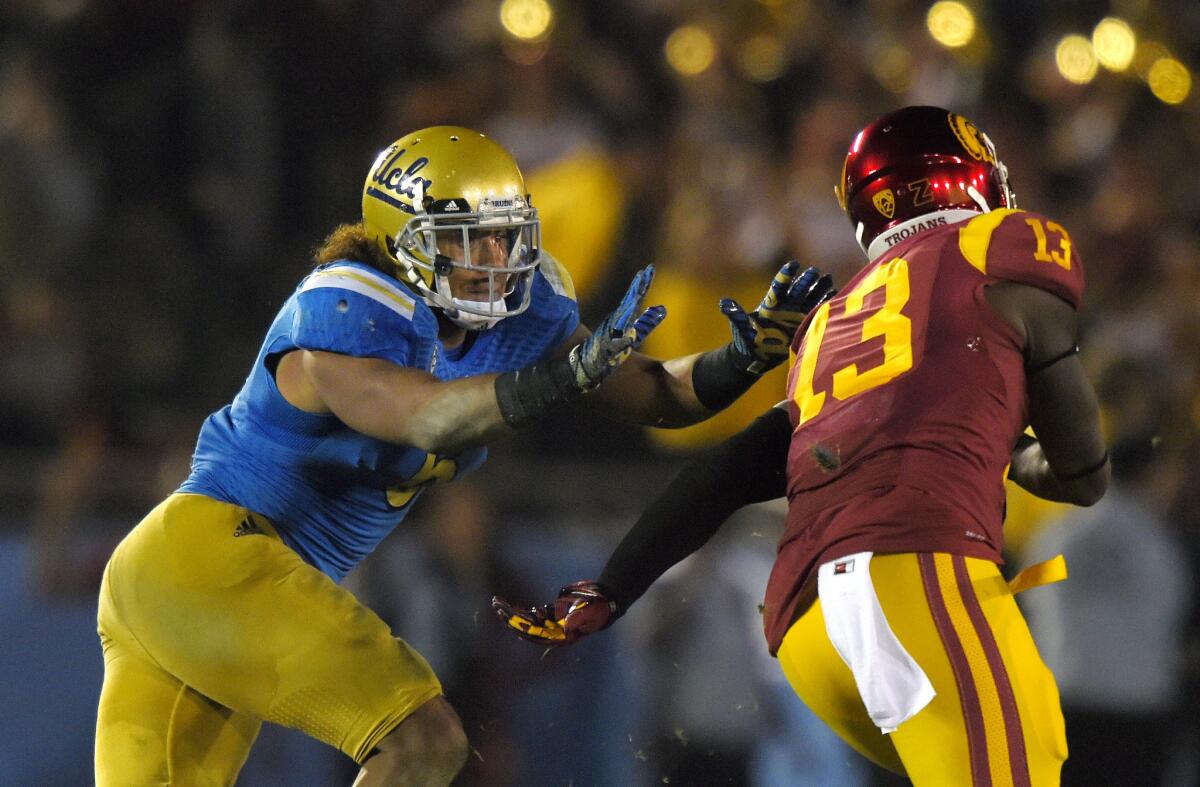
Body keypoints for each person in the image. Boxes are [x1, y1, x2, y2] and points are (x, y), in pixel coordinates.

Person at [92, 125, 834, 786]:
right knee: (422, 741)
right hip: (209, 557)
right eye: (464, 239)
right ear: (402, 240)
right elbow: (429, 417)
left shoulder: (521, 317)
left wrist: (740, 359)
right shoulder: (345, 308)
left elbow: (655, 395)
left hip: (188, 582)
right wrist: (553, 379)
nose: (491, 259)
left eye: (501, 236)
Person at [495, 106, 1110, 786]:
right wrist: (1043, 456)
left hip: (806, 622)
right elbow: (1082, 471)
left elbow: (730, 468)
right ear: (964, 181)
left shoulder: (833, 322)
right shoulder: (1001, 248)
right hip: (916, 574)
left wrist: (613, 585)